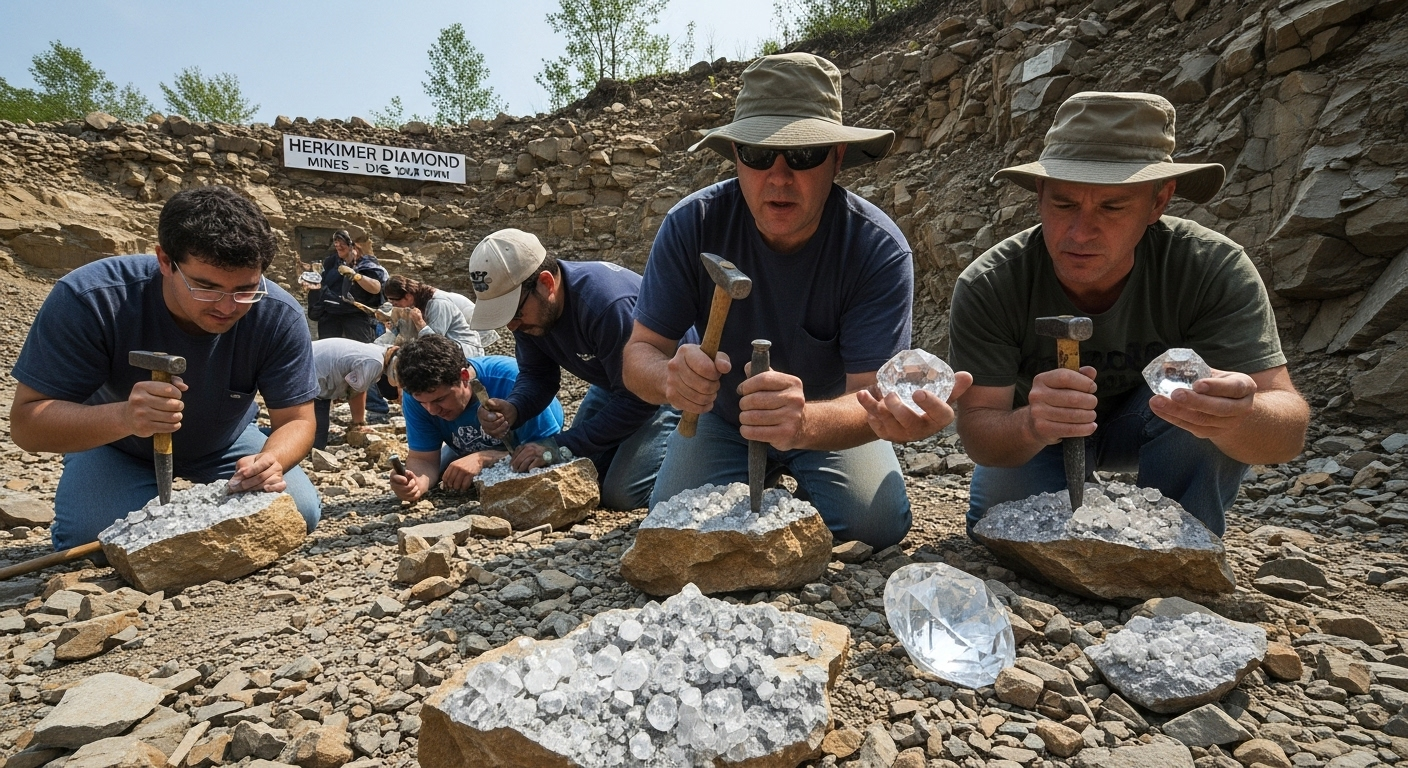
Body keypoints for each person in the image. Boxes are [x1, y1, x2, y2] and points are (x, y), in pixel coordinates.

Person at [622, 53, 970, 549]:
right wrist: (669, 380)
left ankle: (789, 480)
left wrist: (802, 422)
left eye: (803, 155)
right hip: (723, 420)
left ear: (837, 157)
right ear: (736, 156)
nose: (779, 176)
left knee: (877, 526)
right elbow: (639, 356)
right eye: (758, 154)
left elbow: (869, 396)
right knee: (675, 524)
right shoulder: (690, 225)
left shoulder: (878, 250)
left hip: (826, 419)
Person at [950, 91, 1309, 538]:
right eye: (1063, 204)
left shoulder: (1211, 267)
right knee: (1003, 529)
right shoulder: (991, 282)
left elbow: (1288, 429)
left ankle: (1182, 551)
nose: (1081, 232)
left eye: (1112, 207)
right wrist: (1029, 423)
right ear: (1039, 194)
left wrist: (1238, 414)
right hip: (1042, 435)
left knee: (1201, 420)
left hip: (1164, 423)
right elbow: (979, 432)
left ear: (1159, 202)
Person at [10, 185, 322, 550]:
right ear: (164, 260)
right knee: (91, 541)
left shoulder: (276, 312)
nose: (227, 307)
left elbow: (299, 420)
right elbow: (27, 425)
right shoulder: (91, 299)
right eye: (206, 287)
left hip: (226, 442)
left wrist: (271, 460)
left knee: (299, 511)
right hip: (115, 443)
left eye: (244, 290)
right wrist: (126, 417)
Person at [464, 229, 694, 510]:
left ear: (546, 283)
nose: (512, 326)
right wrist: (515, 408)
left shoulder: (607, 305)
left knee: (622, 495)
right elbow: (538, 375)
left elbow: (639, 401)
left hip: (669, 387)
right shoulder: (532, 314)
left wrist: (558, 446)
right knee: (587, 469)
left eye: (514, 313)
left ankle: (700, 452)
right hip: (616, 384)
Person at [390, 334, 564, 503]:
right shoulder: (415, 396)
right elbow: (423, 459)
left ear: (464, 377)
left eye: (440, 400)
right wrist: (414, 484)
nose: (432, 411)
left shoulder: (513, 381)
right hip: (469, 450)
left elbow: (550, 451)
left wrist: (484, 459)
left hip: (534, 441)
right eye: (423, 403)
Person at [306, 230, 391, 414]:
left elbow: (376, 288)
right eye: (336, 244)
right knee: (330, 360)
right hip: (331, 314)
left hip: (356, 316)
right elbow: (324, 283)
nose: (338, 247)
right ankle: (325, 403)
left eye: (342, 244)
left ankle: (375, 407)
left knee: (365, 358)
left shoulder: (367, 265)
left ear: (354, 247)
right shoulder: (331, 262)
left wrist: (355, 275)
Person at [311, 338, 396, 450]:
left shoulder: (378, 351)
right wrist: (358, 424)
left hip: (311, 362)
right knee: (317, 439)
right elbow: (356, 392)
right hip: (311, 376)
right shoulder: (375, 363)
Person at [383, 275, 491, 357]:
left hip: (466, 351)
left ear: (408, 296)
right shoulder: (415, 304)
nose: (396, 307)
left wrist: (420, 323)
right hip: (448, 349)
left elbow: (436, 343)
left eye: (396, 303)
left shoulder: (437, 304)